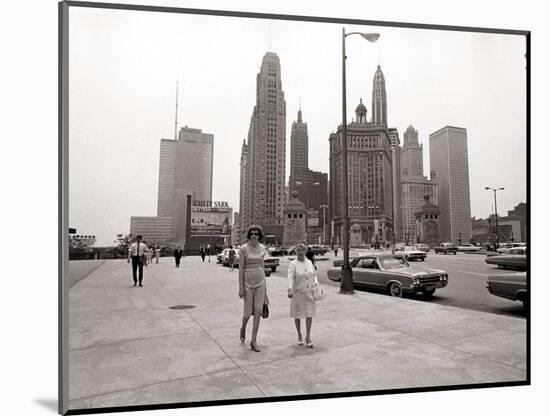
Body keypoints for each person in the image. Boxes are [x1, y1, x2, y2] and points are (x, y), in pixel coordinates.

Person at [238, 225, 267, 352]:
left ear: (259, 236)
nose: (254, 235)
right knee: (247, 312)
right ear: (249, 235)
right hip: (248, 283)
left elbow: (263, 267)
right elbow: (240, 269)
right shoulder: (243, 249)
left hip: (260, 282)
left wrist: (265, 289)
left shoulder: (262, 249)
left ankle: (254, 340)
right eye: (252, 233)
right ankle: (243, 326)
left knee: (258, 311)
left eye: (256, 234)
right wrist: (241, 287)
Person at [287, 242, 319, 348]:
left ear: (305, 252)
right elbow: (290, 277)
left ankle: (308, 336)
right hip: (298, 292)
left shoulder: (309, 262)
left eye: (302, 250)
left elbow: (314, 274)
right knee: (298, 314)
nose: (300, 252)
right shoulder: (293, 264)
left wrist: (316, 284)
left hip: (309, 292)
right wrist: (290, 289)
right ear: (296, 252)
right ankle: (299, 335)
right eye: (298, 250)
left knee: (309, 314)